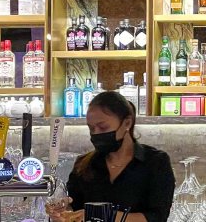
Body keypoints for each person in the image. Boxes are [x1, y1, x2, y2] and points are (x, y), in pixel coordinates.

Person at [47, 91, 175, 222]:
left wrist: (102, 214)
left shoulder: (156, 162)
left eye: (103, 127)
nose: (96, 133)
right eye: (91, 129)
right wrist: (62, 213)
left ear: (127, 123)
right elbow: (74, 210)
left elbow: (157, 217)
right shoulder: (84, 165)